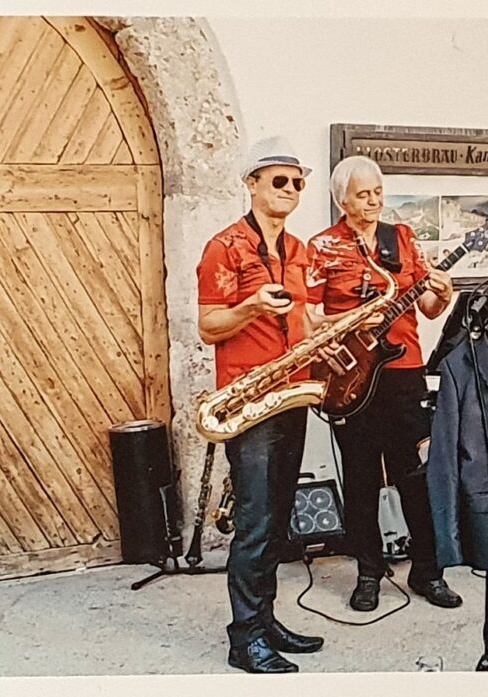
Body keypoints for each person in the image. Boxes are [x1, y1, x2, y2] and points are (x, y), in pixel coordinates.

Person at [306, 155, 463, 612]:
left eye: (377, 192)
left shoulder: (404, 238)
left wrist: (444, 293)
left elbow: (428, 309)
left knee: (414, 474)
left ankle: (427, 571)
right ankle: (368, 573)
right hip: (352, 377)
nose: (374, 201)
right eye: (363, 194)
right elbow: (309, 318)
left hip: (404, 371)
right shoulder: (322, 247)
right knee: (360, 478)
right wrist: (354, 319)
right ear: (342, 200)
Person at [196, 135, 324, 673]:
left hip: (292, 394)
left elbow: (307, 319)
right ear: (251, 184)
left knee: (276, 519)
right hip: (249, 399)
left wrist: (328, 334)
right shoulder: (224, 247)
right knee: (254, 521)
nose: (290, 189)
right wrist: (250, 306)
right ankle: (244, 637)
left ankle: (265, 621)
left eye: (298, 182)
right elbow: (209, 326)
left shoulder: (300, 250)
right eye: (279, 180)